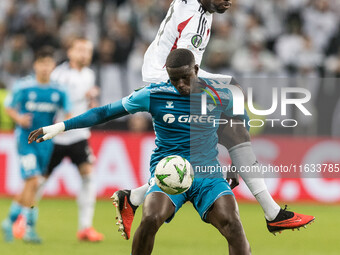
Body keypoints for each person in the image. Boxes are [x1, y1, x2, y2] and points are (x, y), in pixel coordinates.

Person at [112, 0, 315, 240]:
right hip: (167, 78)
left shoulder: (199, 7)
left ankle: (133, 197)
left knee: (231, 107)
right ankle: (272, 212)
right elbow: (183, 65)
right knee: (230, 113)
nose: (228, 2)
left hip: (160, 71)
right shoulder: (195, 20)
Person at [28, 48, 252, 255]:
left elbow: (241, 128)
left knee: (233, 224)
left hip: (208, 174)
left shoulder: (220, 94)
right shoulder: (154, 94)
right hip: (168, 172)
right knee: (151, 218)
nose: (181, 84)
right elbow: (104, 112)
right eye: (175, 80)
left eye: (186, 77)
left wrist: (234, 166)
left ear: (196, 69)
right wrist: (59, 126)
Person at [34, 38, 103, 242]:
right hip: (56, 137)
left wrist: (91, 99)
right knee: (38, 181)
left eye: (88, 50)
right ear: (70, 52)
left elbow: (84, 103)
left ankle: (85, 228)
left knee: (89, 176)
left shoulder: (89, 74)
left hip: (79, 136)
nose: (84, 54)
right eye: (80, 50)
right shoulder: (58, 75)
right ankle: (24, 219)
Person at [1, 47, 71, 243]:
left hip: (45, 143)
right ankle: (28, 227)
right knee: (32, 181)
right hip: (25, 141)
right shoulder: (23, 87)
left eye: (48, 64)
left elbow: (68, 113)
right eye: (42, 63)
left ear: (53, 66)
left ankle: (10, 220)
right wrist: (19, 118)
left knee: (32, 184)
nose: (45, 68)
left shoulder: (59, 90)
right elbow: (8, 106)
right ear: (35, 65)